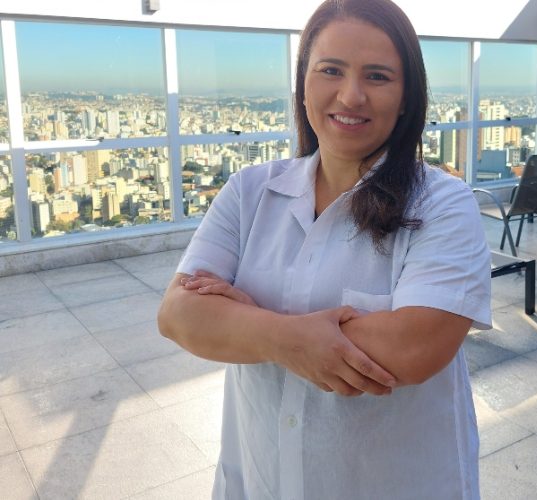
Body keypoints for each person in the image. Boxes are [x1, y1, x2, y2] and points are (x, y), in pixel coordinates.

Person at [158, 0, 492, 498]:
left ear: (406, 97)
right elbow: (178, 315)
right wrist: (292, 337)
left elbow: (415, 347)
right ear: (303, 84)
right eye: (331, 70)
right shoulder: (250, 192)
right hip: (261, 479)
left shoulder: (442, 203)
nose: (351, 95)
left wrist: (248, 323)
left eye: (377, 76)